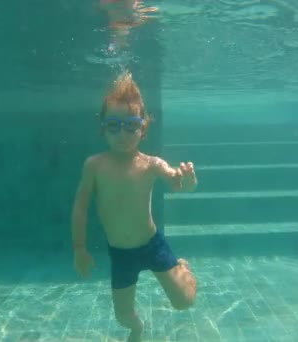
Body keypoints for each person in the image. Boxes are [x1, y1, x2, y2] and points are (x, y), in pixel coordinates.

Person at [71, 71, 198, 342]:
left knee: (184, 301)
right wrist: (79, 248)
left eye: (131, 125)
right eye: (114, 125)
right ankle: (138, 329)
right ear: (102, 127)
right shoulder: (95, 166)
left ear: (143, 129)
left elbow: (178, 183)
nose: (122, 134)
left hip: (152, 244)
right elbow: (80, 207)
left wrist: (188, 182)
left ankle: (183, 268)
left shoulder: (151, 164)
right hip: (120, 254)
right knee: (123, 317)